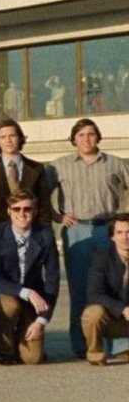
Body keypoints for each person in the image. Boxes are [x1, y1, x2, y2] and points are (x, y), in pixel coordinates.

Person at [50, 118, 129, 357]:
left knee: (115, 285)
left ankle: (119, 344)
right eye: (81, 135)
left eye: (91, 134)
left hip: (107, 229)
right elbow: (39, 195)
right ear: (73, 139)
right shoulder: (59, 166)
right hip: (77, 230)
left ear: (98, 137)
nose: (86, 139)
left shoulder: (115, 163)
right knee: (79, 287)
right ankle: (81, 343)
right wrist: (57, 216)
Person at [0, 190, 60, 365]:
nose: (22, 214)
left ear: (35, 211)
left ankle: (19, 336)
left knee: (33, 359)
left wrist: (41, 320)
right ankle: (4, 350)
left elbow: (52, 280)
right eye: (16, 209)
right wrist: (26, 292)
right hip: (2, 293)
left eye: (27, 209)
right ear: (9, 211)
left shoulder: (45, 235)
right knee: (10, 306)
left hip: (32, 300)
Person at [0, 118, 54, 229]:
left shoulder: (37, 168)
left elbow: (44, 204)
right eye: (3, 137)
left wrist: (44, 231)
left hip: (31, 231)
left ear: (20, 138)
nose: (8, 140)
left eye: (12, 136)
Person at [81, 213, 129, 365]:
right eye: (119, 232)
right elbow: (94, 294)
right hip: (110, 318)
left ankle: (125, 350)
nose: (125, 237)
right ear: (112, 236)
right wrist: (122, 309)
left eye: (128, 232)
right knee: (92, 313)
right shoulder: (101, 258)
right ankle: (95, 354)